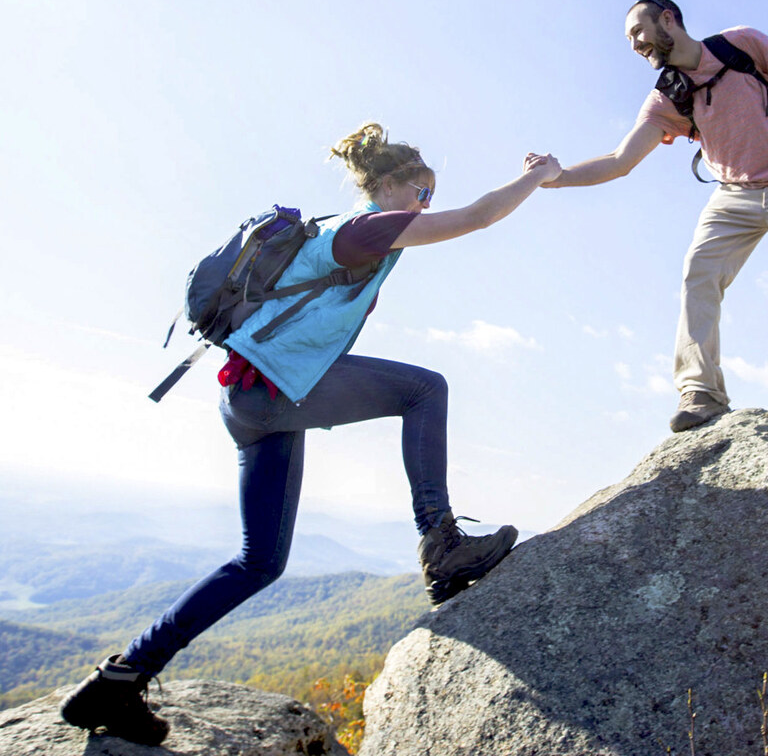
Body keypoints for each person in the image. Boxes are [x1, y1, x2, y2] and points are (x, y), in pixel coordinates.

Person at [60, 122, 562, 745]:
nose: (425, 204)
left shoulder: (339, 230)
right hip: (272, 389)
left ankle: (119, 679)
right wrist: (538, 174)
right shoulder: (361, 228)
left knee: (259, 562)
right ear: (384, 185)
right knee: (425, 389)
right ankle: (442, 544)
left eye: (430, 195)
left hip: (250, 395)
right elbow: (479, 217)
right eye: (420, 191)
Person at [542, 0, 768, 449]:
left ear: (668, 19)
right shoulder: (667, 97)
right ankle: (700, 392)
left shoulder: (743, 44)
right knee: (698, 275)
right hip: (733, 196)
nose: (635, 44)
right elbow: (620, 161)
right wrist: (558, 177)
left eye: (638, 31)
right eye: (628, 40)